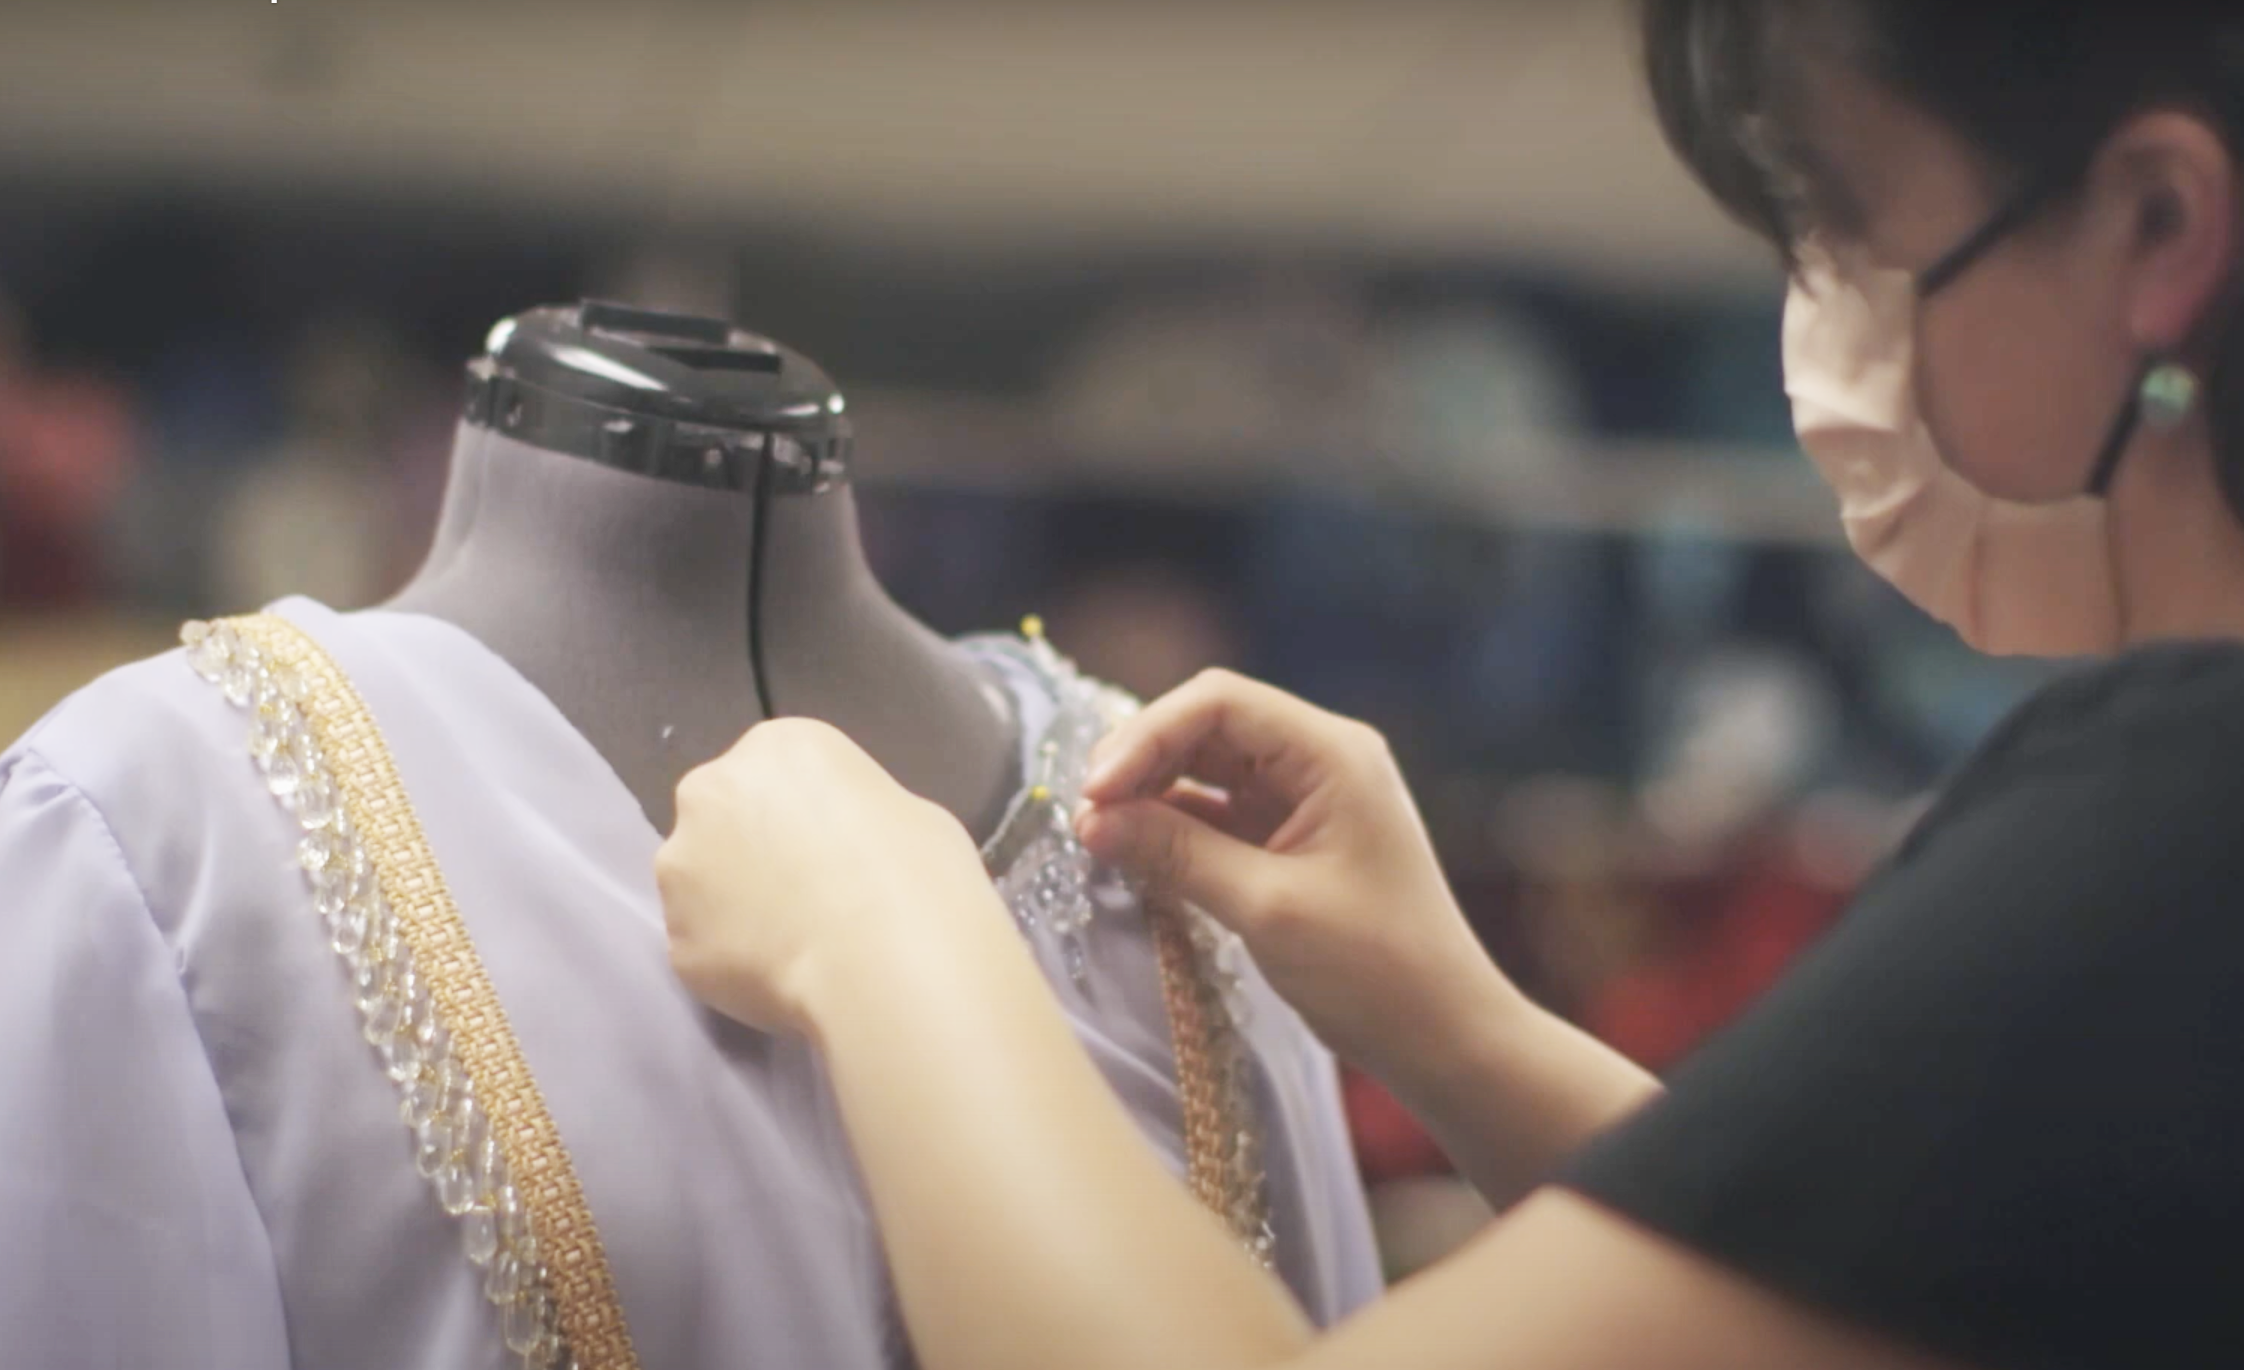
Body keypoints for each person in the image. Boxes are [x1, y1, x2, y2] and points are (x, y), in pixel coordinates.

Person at [652, 2, 2244, 1367]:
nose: (1815, 324)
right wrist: (1451, 1017)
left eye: (1848, 223)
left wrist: (885, 942)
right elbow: (1922, 1278)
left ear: (2159, 228)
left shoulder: (2179, 824)